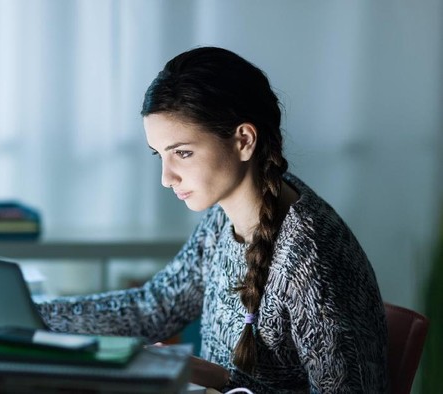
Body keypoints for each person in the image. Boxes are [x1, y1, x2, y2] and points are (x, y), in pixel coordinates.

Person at [36, 46, 387, 392]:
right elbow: (155, 307)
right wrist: (33, 315)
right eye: (159, 155)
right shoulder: (227, 216)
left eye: (183, 153)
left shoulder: (311, 260)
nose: (166, 177)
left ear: (244, 140)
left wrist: (220, 379)